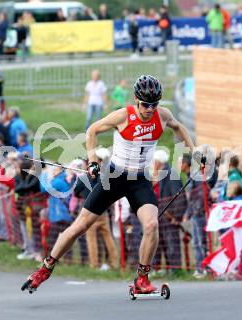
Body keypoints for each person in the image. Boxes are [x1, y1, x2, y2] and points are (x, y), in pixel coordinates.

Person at [23, 75, 197, 294]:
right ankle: (45, 269)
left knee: (152, 225)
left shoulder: (162, 116)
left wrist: (194, 152)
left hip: (140, 180)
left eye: (155, 104)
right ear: (136, 99)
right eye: (145, 104)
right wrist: (93, 160)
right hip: (115, 177)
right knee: (82, 225)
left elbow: (178, 127)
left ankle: (142, 278)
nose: (150, 109)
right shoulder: (123, 115)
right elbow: (92, 130)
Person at [152, 149, 187, 272]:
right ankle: (163, 269)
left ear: (158, 162)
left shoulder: (171, 174)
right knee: (160, 244)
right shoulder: (159, 174)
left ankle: (175, 270)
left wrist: (177, 217)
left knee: (172, 244)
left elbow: (179, 196)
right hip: (158, 215)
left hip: (169, 216)